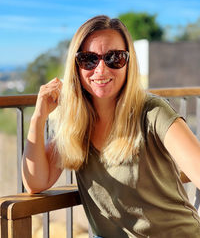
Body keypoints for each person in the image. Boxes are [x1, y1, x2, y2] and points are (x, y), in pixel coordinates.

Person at [22, 15, 200, 237]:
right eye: (88, 59)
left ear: (129, 62)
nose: (101, 69)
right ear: (76, 66)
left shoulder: (153, 112)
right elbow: (36, 182)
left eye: (114, 58)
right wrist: (38, 118)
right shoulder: (73, 122)